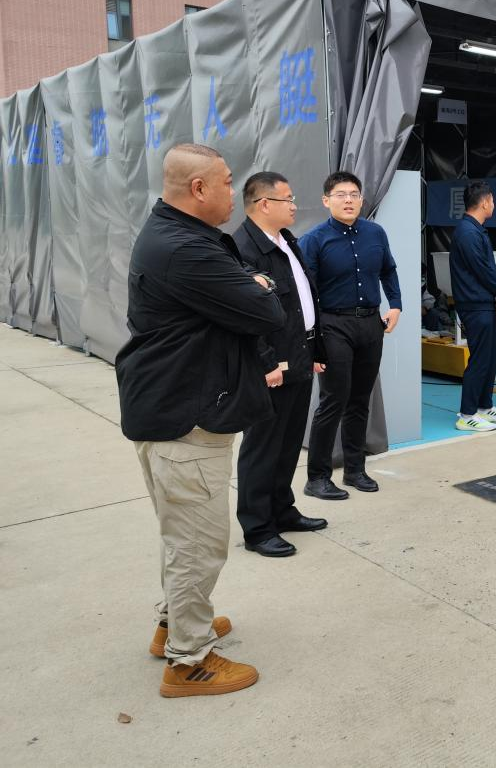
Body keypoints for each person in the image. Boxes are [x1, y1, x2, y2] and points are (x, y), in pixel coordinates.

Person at [116, 143, 285, 698]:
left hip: (170, 405)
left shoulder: (178, 235)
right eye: (228, 182)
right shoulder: (185, 249)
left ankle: (174, 624)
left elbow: (243, 300)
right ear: (198, 189)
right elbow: (265, 312)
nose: (235, 193)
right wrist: (256, 286)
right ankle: (187, 662)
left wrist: (248, 284)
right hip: (184, 419)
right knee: (198, 544)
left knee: (180, 534)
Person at [232, 171, 329, 558]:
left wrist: (316, 351)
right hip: (273, 364)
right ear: (263, 204)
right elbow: (244, 315)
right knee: (263, 445)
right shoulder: (243, 248)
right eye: (287, 199)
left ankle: (282, 510)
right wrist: (266, 362)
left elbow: (304, 302)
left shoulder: (286, 240)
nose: (294, 206)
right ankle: (257, 528)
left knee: (288, 443)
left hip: (299, 355)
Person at [299, 172, 402, 499]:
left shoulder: (376, 233)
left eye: (354, 194)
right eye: (341, 194)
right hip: (333, 326)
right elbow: (305, 292)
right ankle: (317, 477)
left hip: (371, 324)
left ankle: (355, 470)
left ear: (361, 200)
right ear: (326, 200)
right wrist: (312, 340)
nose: (348, 200)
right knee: (333, 399)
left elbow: (388, 270)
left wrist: (395, 305)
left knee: (360, 400)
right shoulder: (314, 240)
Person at [450, 180, 496, 432]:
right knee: (479, 359)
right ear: (485, 202)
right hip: (474, 304)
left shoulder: (475, 230)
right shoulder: (467, 232)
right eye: (493, 200)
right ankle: (467, 414)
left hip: (483, 301)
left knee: (490, 357)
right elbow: (482, 269)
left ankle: (484, 406)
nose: (494, 204)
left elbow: (487, 267)